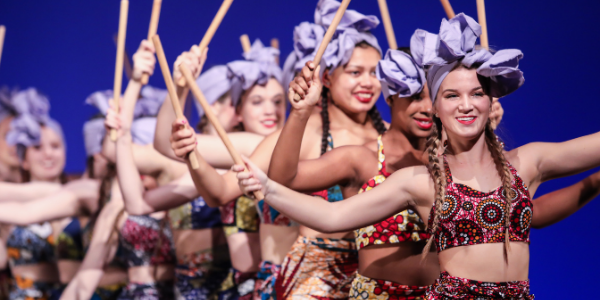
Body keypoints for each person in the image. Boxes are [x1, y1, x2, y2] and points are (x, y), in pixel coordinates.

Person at [232, 13, 600, 299]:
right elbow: (333, 215)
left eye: (477, 94)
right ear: (436, 108)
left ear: (492, 102)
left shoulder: (528, 162)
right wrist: (267, 187)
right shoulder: (419, 180)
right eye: (452, 96)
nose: (467, 104)